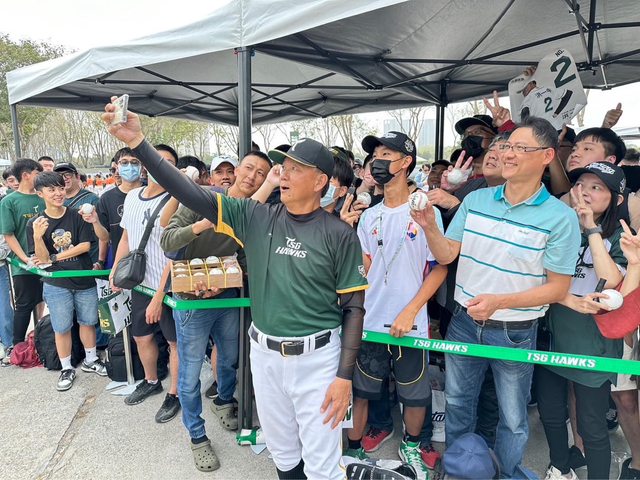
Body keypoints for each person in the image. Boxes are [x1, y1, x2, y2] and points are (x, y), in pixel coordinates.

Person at [102, 99, 367, 480]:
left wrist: (343, 377)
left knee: (323, 465)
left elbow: (354, 308)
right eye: (284, 167)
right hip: (265, 354)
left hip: (318, 360)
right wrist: (139, 144)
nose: (284, 174)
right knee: (284, 454)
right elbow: (190, 192)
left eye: (296, 169)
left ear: (320, 181)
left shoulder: (339, 234)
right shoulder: (255, 215)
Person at [416, 117, 581, 477]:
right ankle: (458, 470)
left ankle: (505, 473)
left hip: (515, 330)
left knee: (513, 417)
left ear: (546, 156)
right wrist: (429, 227)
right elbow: (447, 255)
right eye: (506, 146)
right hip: (463, 322)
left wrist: (499, 302)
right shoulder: (475, 199)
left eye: (520, 148)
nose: (507, 154)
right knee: (458, 404)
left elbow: (558, 288)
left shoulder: (560, 218)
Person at [160, 151, 272, 471]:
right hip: (191, 299)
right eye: (248, 168)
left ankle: (223, 401)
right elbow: (167, 241)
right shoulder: (202, 199)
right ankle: (197, 436)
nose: (252, 176)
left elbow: (245, 256)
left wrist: (231, 279)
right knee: (190, 371)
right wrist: (201, 225)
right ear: (236, 171)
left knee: (229, 356)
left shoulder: (251, 212)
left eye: (261, 173)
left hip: (225, 297)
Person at [346, 132, 447, 478]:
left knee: (415, 394)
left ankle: (412, 446)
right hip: (370, 322)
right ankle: (353, 450)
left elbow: (439, 267)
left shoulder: (426, 212)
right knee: (361, 392)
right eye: (375, 154)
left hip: (410, 324)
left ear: (406, 163)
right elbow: (364, 267)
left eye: (386, 154)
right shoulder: (369, 215)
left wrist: (411, 309)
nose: (377, 160)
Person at [536, 162, 628, 480]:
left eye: (596, 187)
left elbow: (611, 279)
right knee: (550, 411)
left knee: (592, 425)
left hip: (593, 342)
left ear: (617, 199)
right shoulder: (559, 226)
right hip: (552, 332)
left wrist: (590, 228)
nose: (585, 192)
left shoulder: (622, 236)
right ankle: (560, 467)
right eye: (581, 185)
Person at [108, 147, 181, 424]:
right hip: (140, 283)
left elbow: (177, 252)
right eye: (155, 161)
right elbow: (126, 238)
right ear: (146, 165)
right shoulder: (132, 196)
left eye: (168, 163)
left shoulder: (177, 199)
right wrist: (116, 270)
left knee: (174, 342)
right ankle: (151, 380)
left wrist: (160, 295)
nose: (161, 166)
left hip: (168, 287)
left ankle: (174, 393)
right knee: (141, 336)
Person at [26, 172, 107, 390]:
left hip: (83, 279)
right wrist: (37, 236)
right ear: (40, 193)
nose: (58, 193)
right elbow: (41, 259)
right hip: (56, 284)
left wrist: (54, 258)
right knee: (61, 327)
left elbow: (84, 246)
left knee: (88, 321)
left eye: (60, 188)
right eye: (51, 189)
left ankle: (91, 359)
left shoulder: (76, 215)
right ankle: (66, 367)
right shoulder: (35, 223)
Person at [0, 159, 45, 360]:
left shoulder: (43, 197)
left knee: (43, 299)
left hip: (46, 262)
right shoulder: (9, 202)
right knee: (24, 305)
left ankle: (40, 339)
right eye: (37, 173)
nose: (40, 177)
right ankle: (17, 347)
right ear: (26, 175)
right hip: (23, 266)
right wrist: (25, 258)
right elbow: (9, 235)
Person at [53, 162, 100, 263]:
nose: (64, 178)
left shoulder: (92, 199)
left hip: (88, 259)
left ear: (77, 177)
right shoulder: (54, 201)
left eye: (68, 174)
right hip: (62, 260)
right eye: (59, 175)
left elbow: (103, 234)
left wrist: (100, 261)